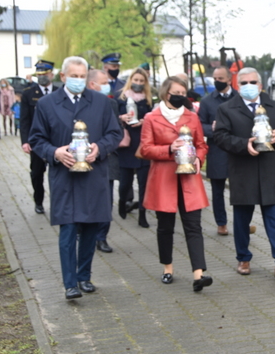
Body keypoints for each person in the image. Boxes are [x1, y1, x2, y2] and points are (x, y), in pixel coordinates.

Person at [28, 56, 122, 300]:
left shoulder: (101, 102)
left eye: (82, 77)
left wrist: (99, 148)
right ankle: (70, 283)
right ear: (63, 77)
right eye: (74, 76)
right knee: (68, 229)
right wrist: (54, 152)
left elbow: (114, 134)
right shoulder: (47, 104)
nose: (78, 80)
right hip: (64, 176)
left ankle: (84, 276)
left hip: (93, 175)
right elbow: (37, 139)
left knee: (91, 227)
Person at [213, 66, 275, 278]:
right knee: (242, 219)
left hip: (268, 171)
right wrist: (244, 144)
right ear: (237, 85)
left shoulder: (274, 106)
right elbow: (220, 137)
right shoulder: (227, 109)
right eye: (244, 83)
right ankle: (243, 258)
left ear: (260, 86)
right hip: (243, 170)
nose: (249, 86)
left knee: (274, 218)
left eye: (253, 82)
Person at [140, 76, 213, 292]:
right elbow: (145, 149)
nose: (180, 96)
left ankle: (199, 274)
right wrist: (168, 149)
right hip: (164, 178)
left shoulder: (192, 117)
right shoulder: (151, 118)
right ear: (166, 93)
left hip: (189, 177)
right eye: (176, 92)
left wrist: (199, 159)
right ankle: (168, 268)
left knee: (194, 225)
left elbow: (201, 144)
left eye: (183, 93)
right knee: (165, 226)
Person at [198, 66, 236, 236]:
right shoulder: (207, 101)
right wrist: (213, 129)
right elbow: (199, 125)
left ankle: (243, 221)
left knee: (240, 189)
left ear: (229, 79)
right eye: (215, 78)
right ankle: (221, 223)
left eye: (220, 79)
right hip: (217, 150)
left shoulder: (239, 98)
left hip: (237, 150)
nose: (217, 82)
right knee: (217, 190)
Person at [88, 68, 120, 253]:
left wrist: (103, 148)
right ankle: (84, 233)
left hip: (106, 158)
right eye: (104, 81)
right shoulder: (80, 104)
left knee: (105, 201)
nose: (108, 85)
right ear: (93, 84)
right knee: (87, 200)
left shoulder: (111, 104)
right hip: (82, 159)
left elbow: (116, 132)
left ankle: (102, 237)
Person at [116, 68, 153, 228]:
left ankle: (142, 214)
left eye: (141, 81)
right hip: (127, 145)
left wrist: (145, 121)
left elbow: (155, 119)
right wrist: (121, 118)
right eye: (135, 80)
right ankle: (122, 202)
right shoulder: (121, 99)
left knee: (144, 183)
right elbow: (111, 119)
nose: (138, 83)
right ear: (130, 80)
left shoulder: (148, 101)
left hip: (143, 145)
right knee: (125, 182)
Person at [21, 60, 57, 214]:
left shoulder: (59, 91)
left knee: (57, 174)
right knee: (36, 173)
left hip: (56, 140)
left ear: (51, 74)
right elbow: (24, 120)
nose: (42, 77)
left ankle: (57, 203)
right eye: (39, 74)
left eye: (45, 73)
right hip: (37, 141)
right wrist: (25, 141)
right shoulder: (29, 93)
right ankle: (39, 201)